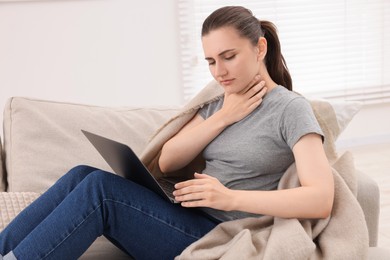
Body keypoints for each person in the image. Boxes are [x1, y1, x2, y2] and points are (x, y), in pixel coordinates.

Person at [0, 6, 334, 260]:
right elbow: (170, 160)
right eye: (211, 61)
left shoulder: (290, 109)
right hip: (184, 213)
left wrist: (229, 198)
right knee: (81, 175)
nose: (220, 71)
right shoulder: (220, 102)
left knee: (100, 192)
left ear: (260, 48)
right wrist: (223, 118)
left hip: (219, 233)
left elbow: (320, 198)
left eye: (229, 57)